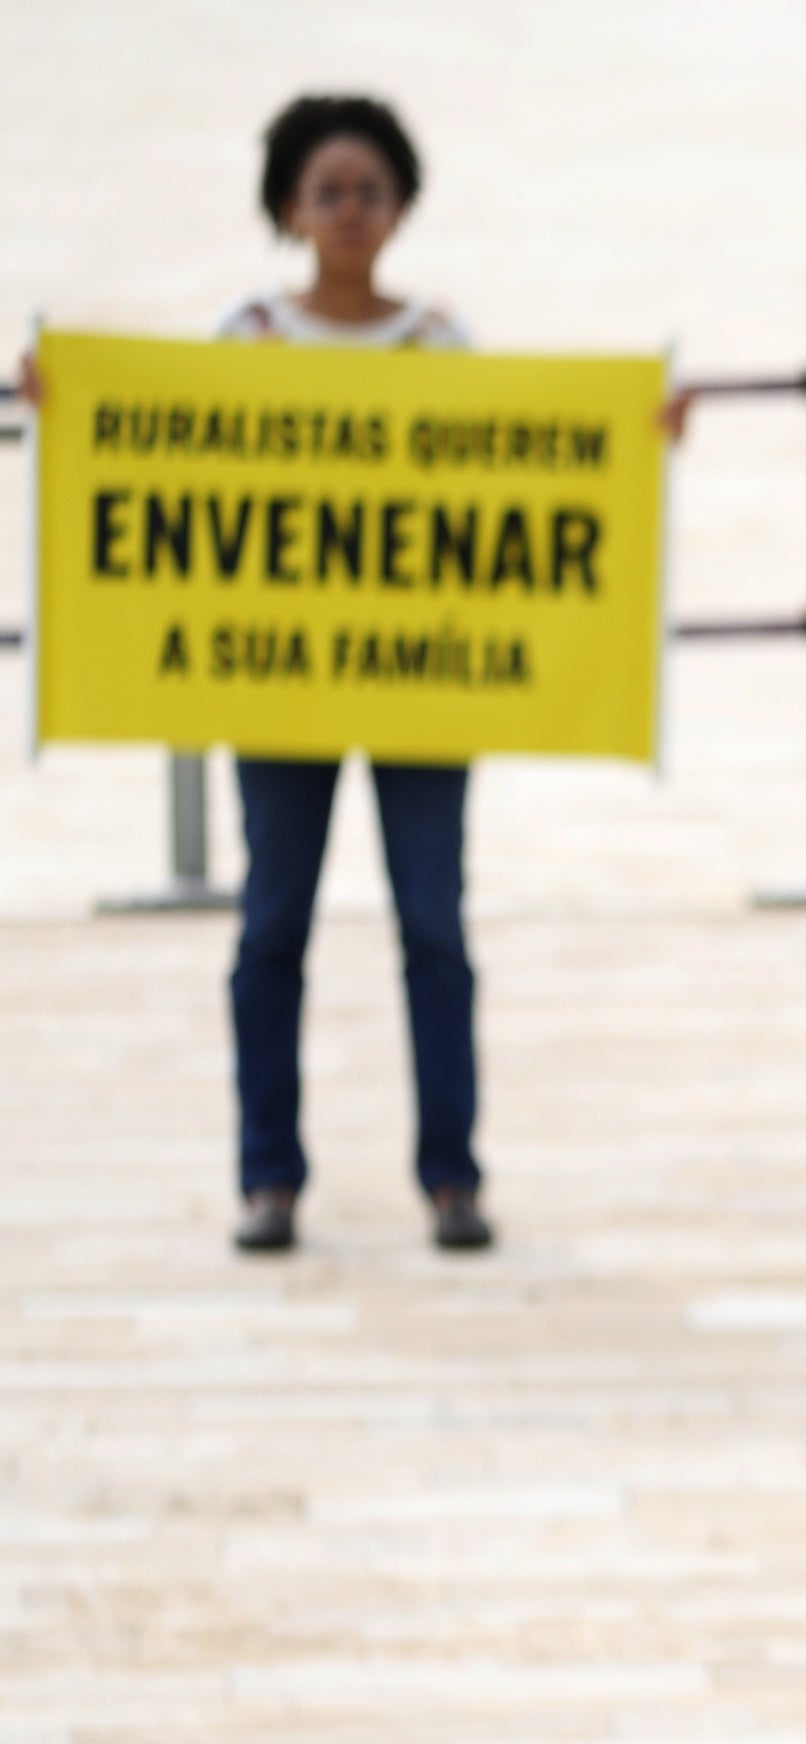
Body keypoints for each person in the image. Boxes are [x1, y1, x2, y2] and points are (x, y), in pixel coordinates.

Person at [216, 96, 489, 1256]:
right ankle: (268, 1176)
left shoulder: (439, 342)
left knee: (433, 924)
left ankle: (452, 1176)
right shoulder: (248, 337)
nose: (347, 211)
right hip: (285, 680)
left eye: (367, 190)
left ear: (399, 207)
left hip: (419, 676)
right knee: (272, 924)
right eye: (327, 190)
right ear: (289, 206)